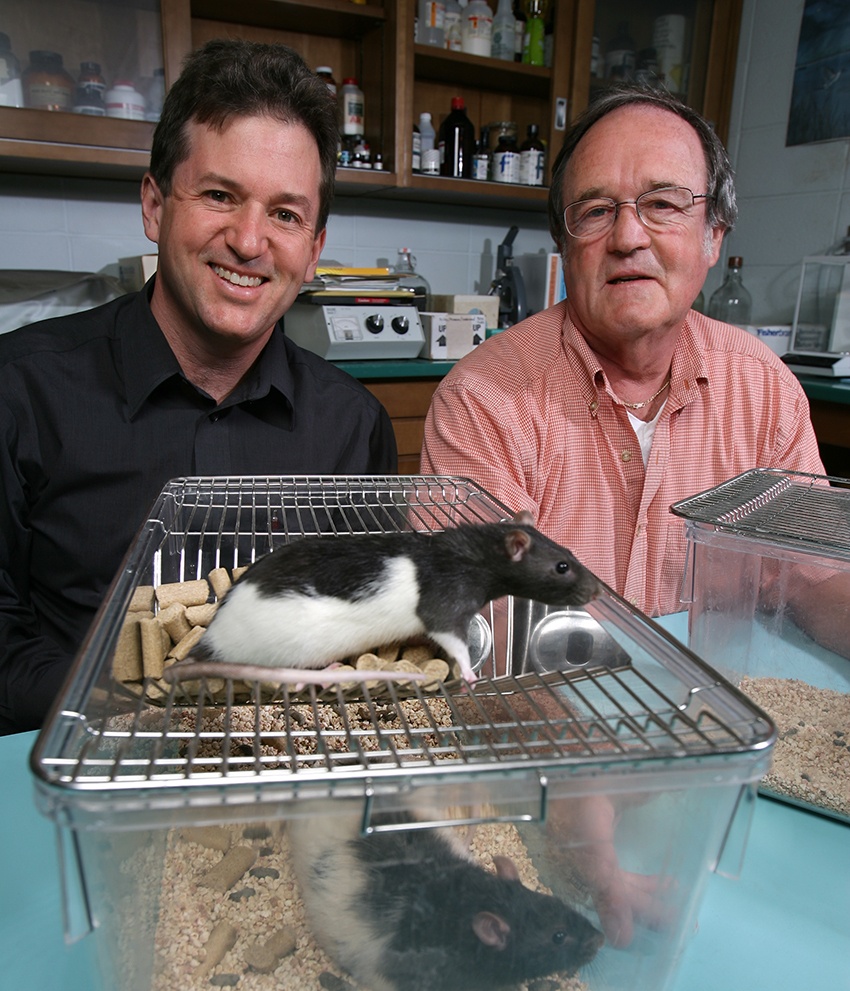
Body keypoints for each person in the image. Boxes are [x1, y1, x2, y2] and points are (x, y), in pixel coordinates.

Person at [0, 39, 397, 734]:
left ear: (313, 249)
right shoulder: (20, 392)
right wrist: (147, 718)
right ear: (155, 206)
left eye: (285, 214)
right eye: (219, 195)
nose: (249, 241)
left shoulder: (353, 429)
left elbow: (370, 630)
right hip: (78, 768)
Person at [422, 85, 824, 617]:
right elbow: (480, 627)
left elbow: (813, 582)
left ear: (713, 236)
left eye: (662, 204)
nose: (628, 236)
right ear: (564, 246)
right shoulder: (482, 402)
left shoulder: (767, 390)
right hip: (549, 697)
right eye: (595, 210)